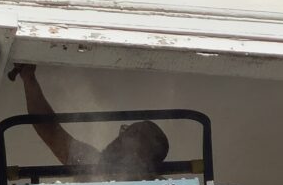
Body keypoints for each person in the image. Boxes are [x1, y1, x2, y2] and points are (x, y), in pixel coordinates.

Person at [12, 63, 169, 175]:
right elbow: (50, 131)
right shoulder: (92, 162)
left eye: (133, 134)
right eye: (126, 130)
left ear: (145, 155)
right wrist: (29, 78)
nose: (121, 135)